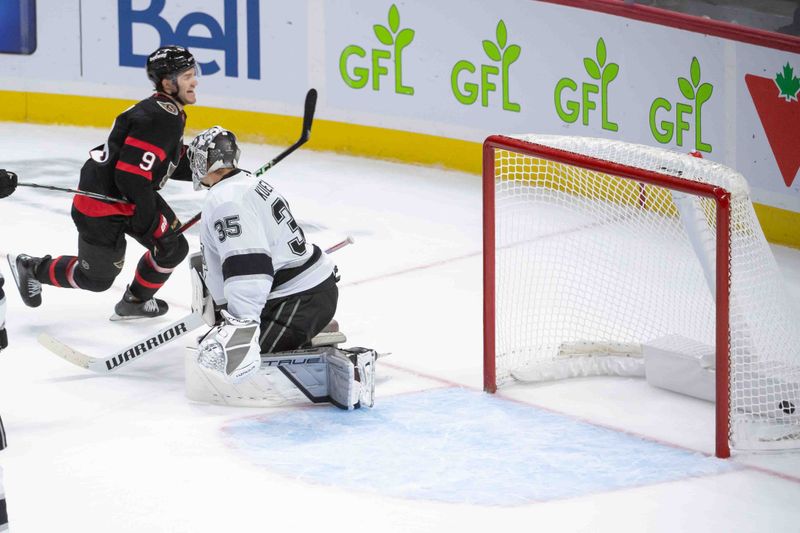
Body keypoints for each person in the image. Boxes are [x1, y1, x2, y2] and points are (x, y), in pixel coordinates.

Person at [6, 46, 198, 320]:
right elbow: (130, 176)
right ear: (169, 83)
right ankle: (32, 268)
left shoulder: (167, 111)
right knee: (95, 280)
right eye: (188, 76)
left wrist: (211, 171)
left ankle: (134, 301)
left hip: (128, 196)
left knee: (173, 247)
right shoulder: (160, 117)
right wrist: (147, 219)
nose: (195, 81)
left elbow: (159, 161)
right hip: (101, 204)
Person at [187, 126, 340, 383]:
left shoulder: (226, 199)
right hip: (298, 294)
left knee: (219, 367)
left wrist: (242, 324)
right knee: (214, 349)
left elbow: (249, 268)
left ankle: (314, 342)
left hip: (298, 300)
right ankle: (313, 330)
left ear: (205, 161)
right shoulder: (246, 184)